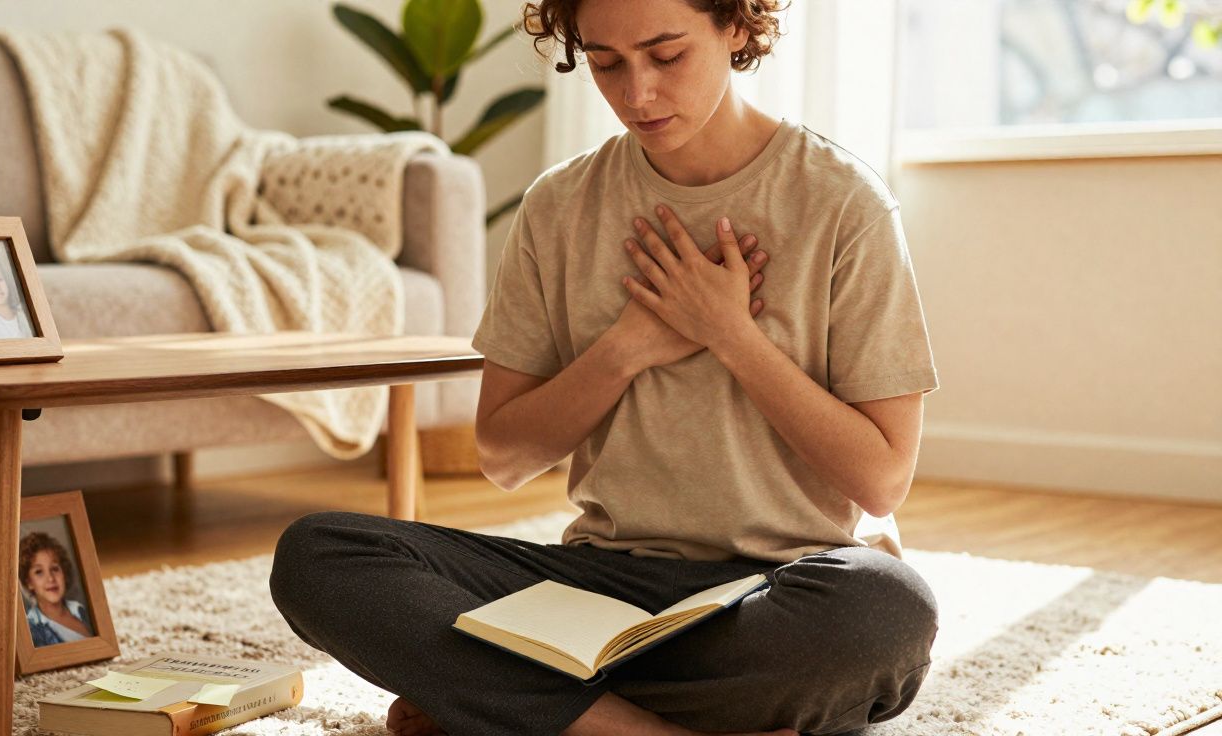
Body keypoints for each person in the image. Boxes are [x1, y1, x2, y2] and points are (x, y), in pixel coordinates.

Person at [270, 1, 941, 734]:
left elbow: (880, 477)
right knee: (320, 555)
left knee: (887, 613)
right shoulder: (558, 207)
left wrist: (730, 334)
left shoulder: (846, 205)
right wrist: (630, 347)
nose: (636, 93)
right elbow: (502, 453)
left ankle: (517, 703)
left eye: (667, 55)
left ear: (738, 26)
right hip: (601, 585)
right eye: (606, 62)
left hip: (779, 586)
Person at [19, 531, 92, 646]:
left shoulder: (79, 609)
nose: (50, 578)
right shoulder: (32, 628)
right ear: (29, 583)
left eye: (54, 568)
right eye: (39, 572)